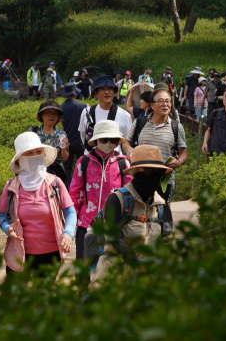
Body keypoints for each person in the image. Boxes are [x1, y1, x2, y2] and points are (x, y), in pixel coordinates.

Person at [90, 145, 172, 283]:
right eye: (151, 171)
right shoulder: (118, 199)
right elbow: (114, 238)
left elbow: (165, 241)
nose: (155, 177)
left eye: (160, 173)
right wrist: (135, 262)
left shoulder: (161, 205)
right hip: (114, 277)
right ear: (137, 171)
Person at [0, 132, 76, 276]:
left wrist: (68, 233)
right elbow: (2, 215)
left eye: (38, 152)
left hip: (51, 255)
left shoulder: (55, 183)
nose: (35, 155)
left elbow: (70, 212)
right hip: (19, 254)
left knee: (43, 297)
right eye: (30, 153)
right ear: (20, 159)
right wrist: (7, 228)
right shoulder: (11, 186)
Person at [70, 120, 131, 261]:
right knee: (83, 268)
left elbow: (128, 195)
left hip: (113, 225)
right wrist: (72, 223)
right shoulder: (83, 162)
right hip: (85, 224)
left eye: (114, 140)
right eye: (104, 139)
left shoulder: (123, 163)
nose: (109, 144)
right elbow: (75, 194)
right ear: (96, 140)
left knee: (109, 268)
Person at [123, 88, 187, 216]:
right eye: (161, 101)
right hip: (141, 176)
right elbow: (126, 142)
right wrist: (130, 152)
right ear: (152, 105)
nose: (165, 104)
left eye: (168, 101)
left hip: (164, 180)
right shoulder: (140, 123)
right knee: (139, 213)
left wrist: (178, 162)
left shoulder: (176, 127)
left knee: (162, 215)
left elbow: (183, 152)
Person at [79, 75, 133, 153]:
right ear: (96, 93)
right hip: (90, 161)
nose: (107, 92)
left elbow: (128, 141)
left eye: (110, 89)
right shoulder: (87, 112)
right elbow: (83, 135)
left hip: (114, 161)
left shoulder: (124, 115)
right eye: (102, 89)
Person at [28, 100, 69, 183]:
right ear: (41, 115)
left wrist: (64, 149)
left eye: (55, 113)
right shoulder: (33, 131)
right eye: (48, 112)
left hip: (55, 175)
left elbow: (65, 158)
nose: (52, 116)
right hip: (35, 173)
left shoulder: (61, 134)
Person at [60, 82, 87, 188]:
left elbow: (62, 123)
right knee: (83, 166)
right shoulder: (82, 106)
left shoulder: (61, 107)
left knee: (67, 167)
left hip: (67, 141)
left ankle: (67, 189)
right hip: (80, 141)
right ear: (75, 94)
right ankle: (83, 186)